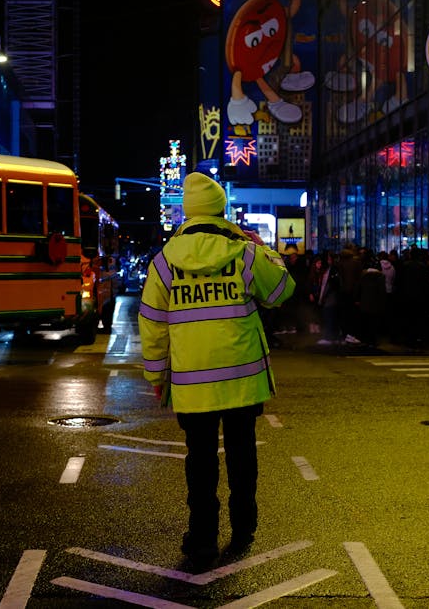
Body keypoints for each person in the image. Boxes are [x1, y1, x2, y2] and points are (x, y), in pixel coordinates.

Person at [138, 172, 295, 565]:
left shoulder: (164, 262)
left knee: (200, 461)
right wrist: (265, 249)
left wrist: (156, 376)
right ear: (221, 210)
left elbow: (153, 323)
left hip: (192, 384)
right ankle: (243, 529)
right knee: (242, 455)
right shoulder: (243, 253)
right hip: (242, 379)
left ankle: (203, 537)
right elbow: (282, 291)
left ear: (188, 213)